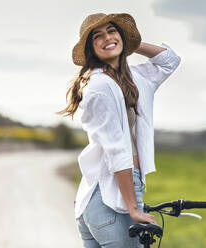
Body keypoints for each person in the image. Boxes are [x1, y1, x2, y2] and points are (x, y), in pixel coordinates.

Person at [56, 12, 181, 247]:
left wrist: (129, 43)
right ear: (91, 49)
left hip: (98, 200)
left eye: (112, 31)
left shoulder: (134, 77)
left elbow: (170, 61)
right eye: (98, 36)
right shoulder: (100, 86)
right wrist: (133, 208)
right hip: (111, 201)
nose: (107, 38)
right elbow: (117, 151)